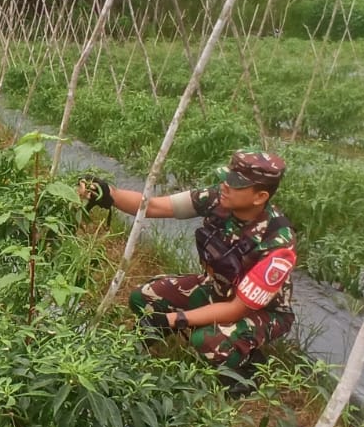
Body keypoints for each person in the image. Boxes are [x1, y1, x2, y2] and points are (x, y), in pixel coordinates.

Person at [80, 151, 296, 376]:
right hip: (219, 288)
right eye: (227, 177)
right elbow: (153, 206)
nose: (225, 185)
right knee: (143, 298)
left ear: (260, 197)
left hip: (261, 311)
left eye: (235, 184)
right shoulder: (217, 199)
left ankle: (247, 367)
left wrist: (175, 319)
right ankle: (161, 337)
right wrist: (108, 194)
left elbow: (236, 309)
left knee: (206, 342)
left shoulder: (277, 242)